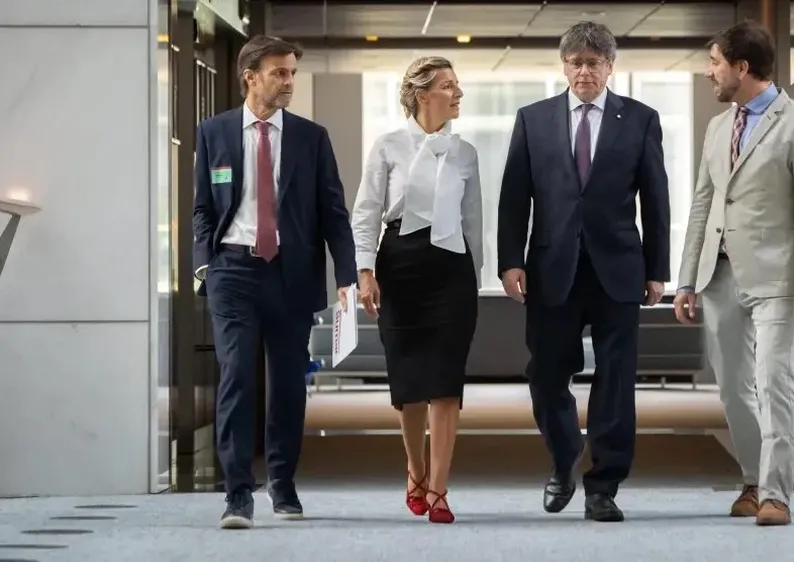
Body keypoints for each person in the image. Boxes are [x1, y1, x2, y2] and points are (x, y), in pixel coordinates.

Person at [496, 21, 671, 523]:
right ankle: (563, 453)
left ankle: (604, 485)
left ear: (610, 67)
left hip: (619, 268)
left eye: (594, 63)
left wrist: (658, 267)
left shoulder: (639, 119)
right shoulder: (534, 119)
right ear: (563, 66)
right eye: (575, 62)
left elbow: (656, 199)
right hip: (552, 267)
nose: (584, 71)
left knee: (616, 379)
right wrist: (511, 260)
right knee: (547, 374)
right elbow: (515, 197)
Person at [192, 35, 357, 529]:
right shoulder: (214, 132)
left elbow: (333, 213)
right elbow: (203, 208)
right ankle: (237, 493)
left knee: (288, 384)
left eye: (291, 73)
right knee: (238, 376)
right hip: (233, 272)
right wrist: (206, 264)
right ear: (251, 76)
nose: (288, 81)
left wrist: (347, 276)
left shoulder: (311, 137)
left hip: (291, 274)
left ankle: (282, 484)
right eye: (279, 73)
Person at [674, 21, 794, 527]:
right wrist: (686, 278)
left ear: (742, 67)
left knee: (774, 380)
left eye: (715, 62)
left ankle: (777, 495)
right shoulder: (719, 126)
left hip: (778, 278)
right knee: (733, 386)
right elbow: (702, 203)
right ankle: (751, 480)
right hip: (718, 276)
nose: (708, 72)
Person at [351, 56, 482, 525]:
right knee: (409, 383)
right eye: (449, 86)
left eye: (457, 84)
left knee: (446, 382)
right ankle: (416, 468)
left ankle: (441, 490)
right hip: (400, 266)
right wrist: (365, 271)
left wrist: (478, 277)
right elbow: (366, 212)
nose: (458, 93)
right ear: (423, 95)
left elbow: (473, 220)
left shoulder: (465, 152)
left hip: (453, 270)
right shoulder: (388, 146)